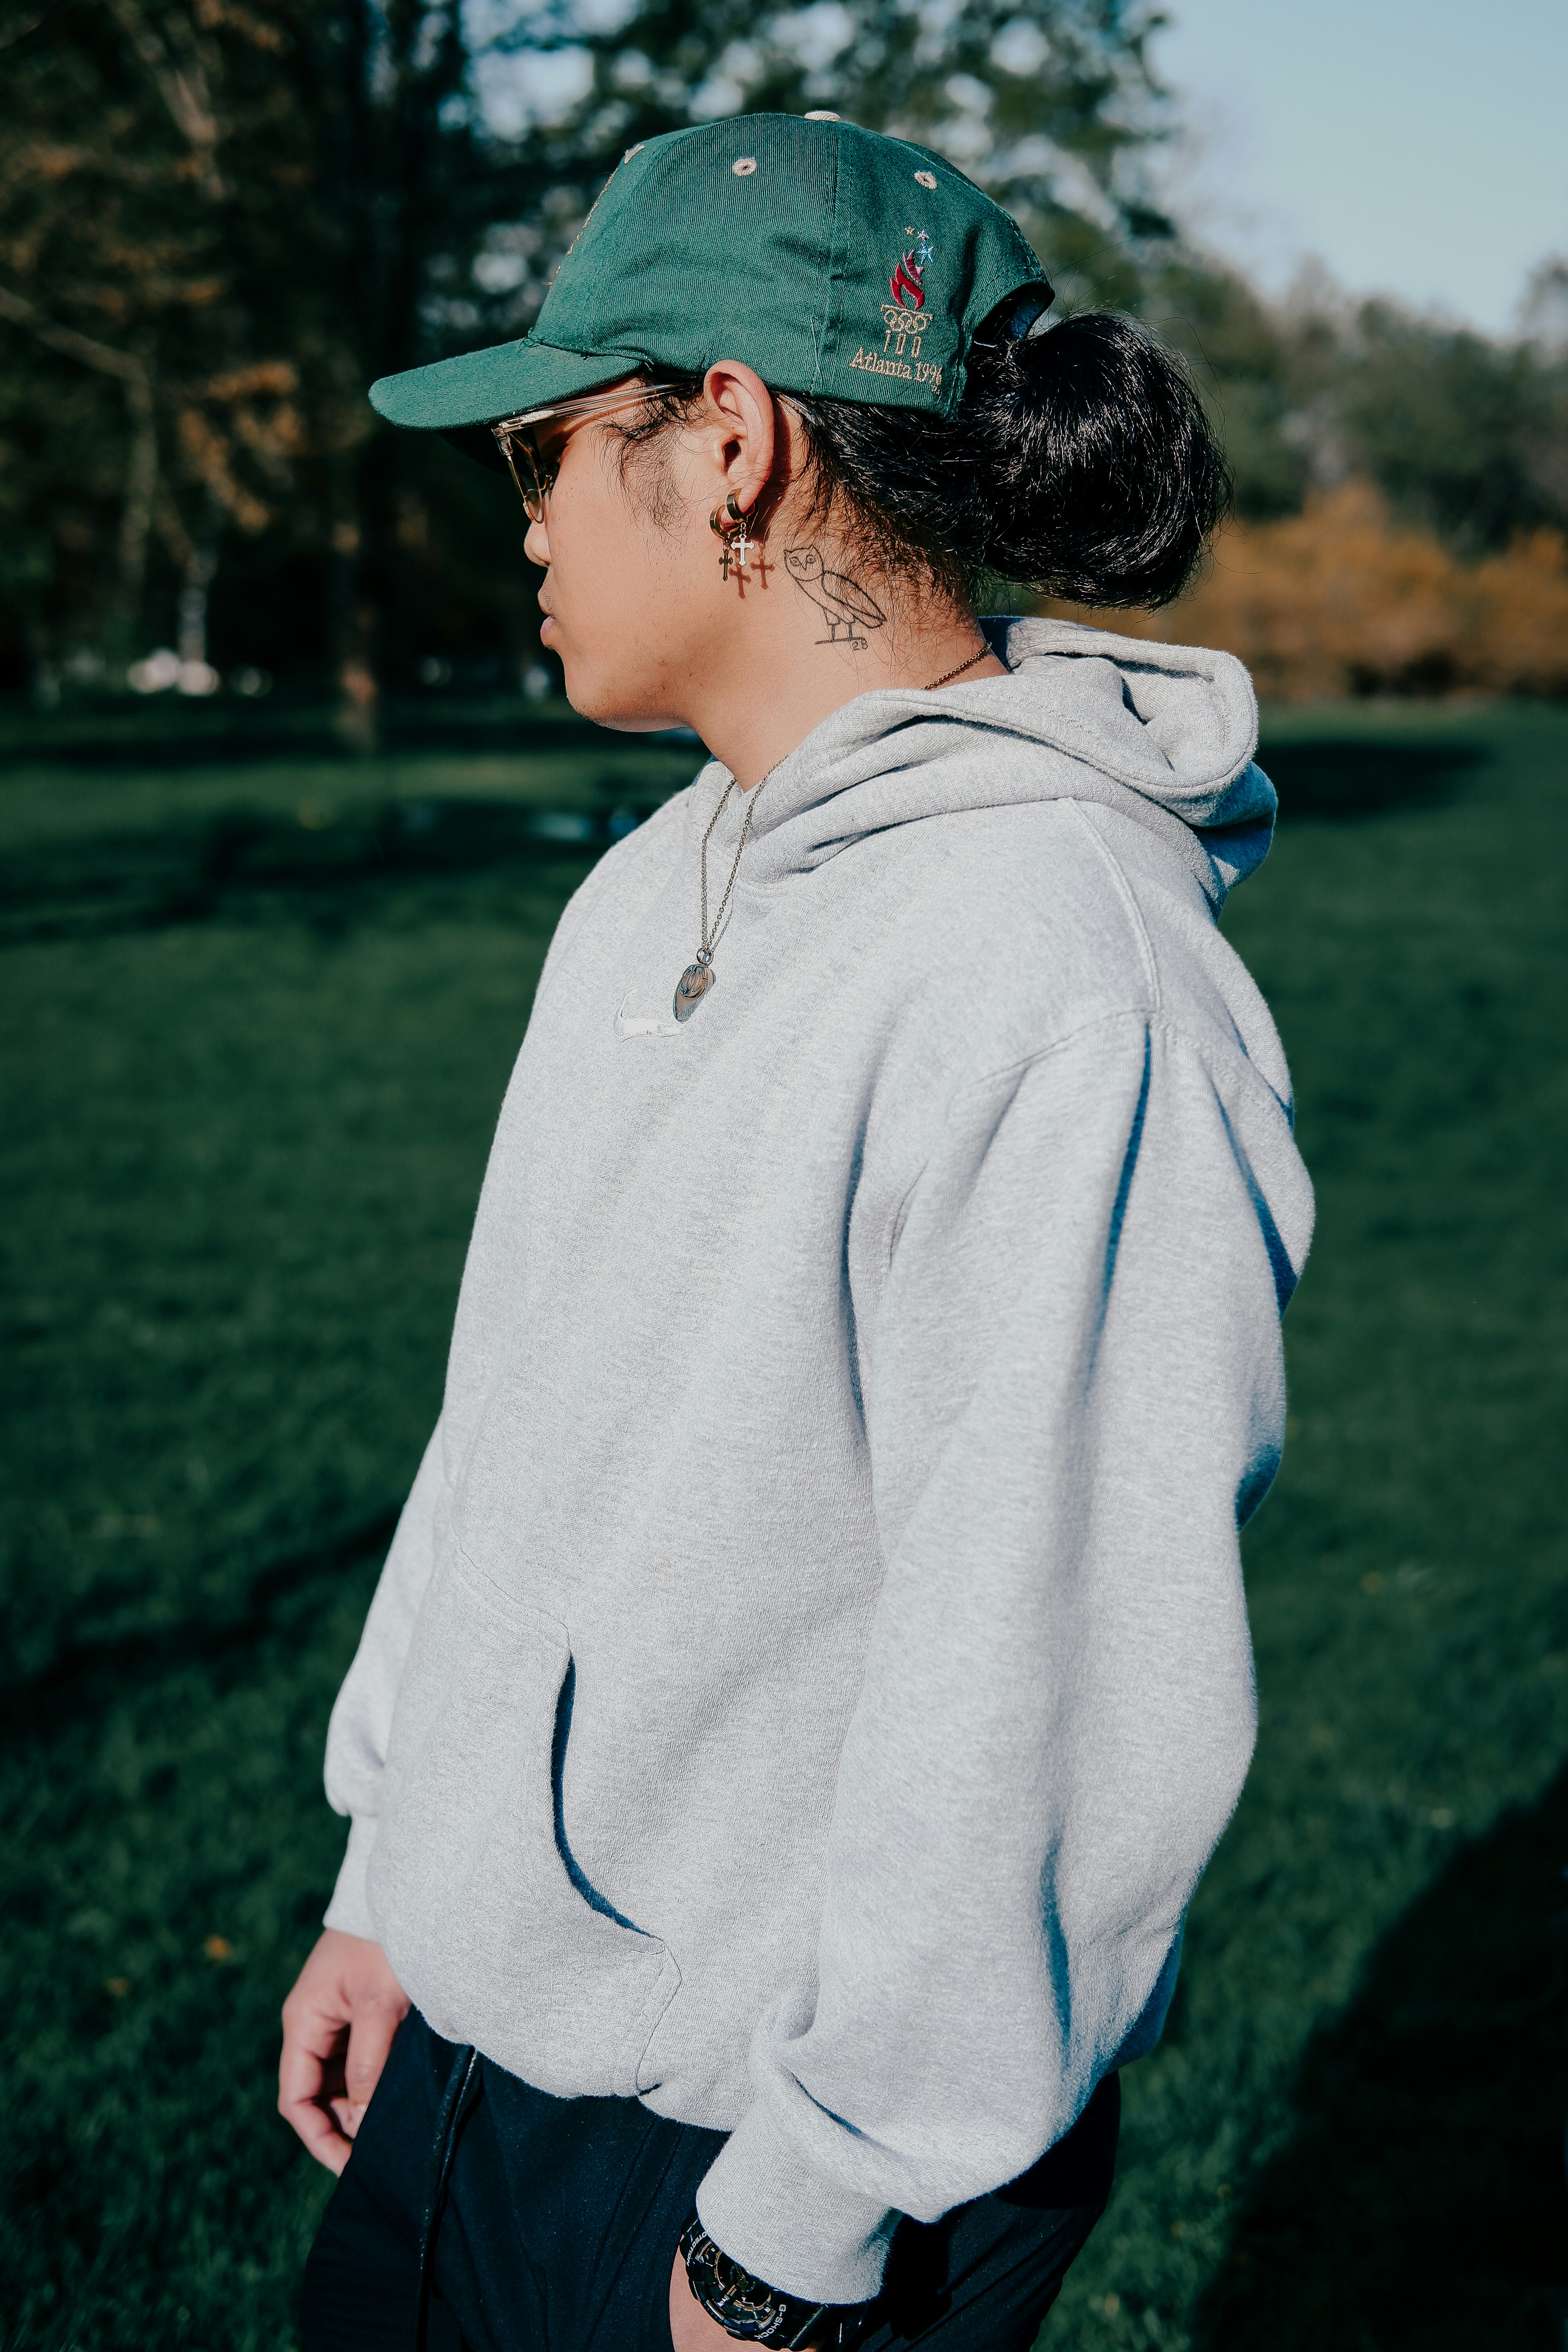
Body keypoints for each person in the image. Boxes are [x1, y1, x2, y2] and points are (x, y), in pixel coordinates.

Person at [278, 111, 1314, 2352]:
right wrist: (396, 1885)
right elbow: (513, 1429)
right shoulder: (655, 877)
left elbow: (1054, 1678)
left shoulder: (1060, 970)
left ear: (728, 444)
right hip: (471, 2054)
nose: (527, 515)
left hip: (769, 2172)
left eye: (549, 445)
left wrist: (798, 2236)